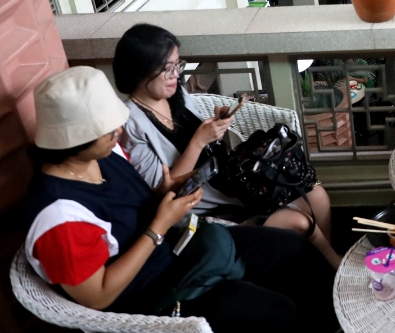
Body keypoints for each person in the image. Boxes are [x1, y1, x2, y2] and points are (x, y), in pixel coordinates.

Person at [25, 67, 337, 331]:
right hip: (155, 294)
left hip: (184, 248)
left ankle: (335, 321)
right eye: (108, 129)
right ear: (76, 139)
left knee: (294, 251)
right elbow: (98, 296)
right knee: (279, 314)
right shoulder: (60, 217)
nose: (119, 131)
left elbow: (130, 208)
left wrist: (163, 192)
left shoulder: (102, 154)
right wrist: (158, 226)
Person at [113, 25, 342, 268]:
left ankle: (324, 265)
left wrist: (216, 124)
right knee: (299, 221)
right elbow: (164, 193)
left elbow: (207, 147)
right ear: (139, 70)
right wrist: (199, 141)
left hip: (230, 186)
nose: (175, 75)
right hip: (201, 210)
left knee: (317, 197)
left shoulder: (176, 93)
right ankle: (328, 267)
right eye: (167, 69)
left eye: (178, 65)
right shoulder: (130, 124)